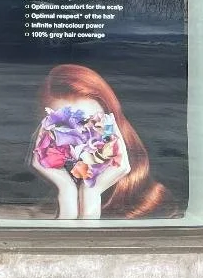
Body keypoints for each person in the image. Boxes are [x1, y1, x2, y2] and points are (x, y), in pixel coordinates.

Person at [30, 63, 173, 220]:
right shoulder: (30, 211)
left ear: (114, 127)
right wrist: (67, 191)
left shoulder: (155, 206)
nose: (81, 144)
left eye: (92, 125)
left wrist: (91, 191)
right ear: (42, 135)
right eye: (64, 129)